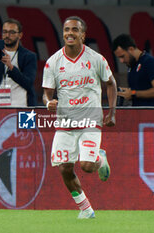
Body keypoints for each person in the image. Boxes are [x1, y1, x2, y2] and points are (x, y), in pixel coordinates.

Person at [42, 16, 117, 219]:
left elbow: (111, 84)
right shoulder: (53, 62)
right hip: (65, 121)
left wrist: (112, 112)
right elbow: (46, 92)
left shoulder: (96, 59)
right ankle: (85, 209)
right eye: (67, 29)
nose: (70, 33)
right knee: (64, 168)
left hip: (90, 118)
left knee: (86, 166)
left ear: (83, 35)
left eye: (75, 30)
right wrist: (48, 102)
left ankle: (99, 159)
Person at [0, 18, 37, 107]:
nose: (7, 35)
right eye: (5, 32)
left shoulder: (29, 56)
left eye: (12, 32)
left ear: (20, 35)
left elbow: (28, 83)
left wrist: (11, 67)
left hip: (23, 107)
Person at [112, 34, 154, 106]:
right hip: (138, 113)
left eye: (122, 56)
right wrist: (126, 93)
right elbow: (136, 90)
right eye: (119, 58)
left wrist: (133, 93)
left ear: (131, 49)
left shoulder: (149, 62)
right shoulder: (132, 66)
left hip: (152, 114)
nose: (121, 61)